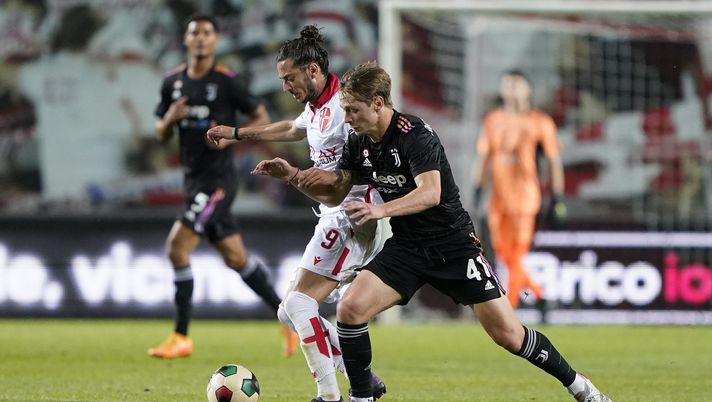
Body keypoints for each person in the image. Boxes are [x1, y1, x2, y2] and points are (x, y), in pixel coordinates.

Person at [252, 62, 611, 402]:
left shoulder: (415, 134)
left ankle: (580, 386)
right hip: (408, 247)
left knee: (509, 335)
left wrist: (381, 209)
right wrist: (294, 176)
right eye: (344, 110)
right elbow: (335, 191)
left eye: (353, 110)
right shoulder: (358, 142)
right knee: (350, 308)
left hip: (454, 246)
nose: (347, 119)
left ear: (378, 104)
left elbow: (430, 193)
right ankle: (361, 396)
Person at [206, 26, 388, 402]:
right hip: (334, 212)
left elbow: (351, 172)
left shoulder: (344, 106)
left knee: (296, 304)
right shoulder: (318, 106)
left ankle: (330, 394)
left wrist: (294, 177)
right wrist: (237, 133)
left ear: (314, 71)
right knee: (290, 313)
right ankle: (363, 378)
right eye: (282, 79)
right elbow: (292, 126)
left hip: (352, 212)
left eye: (290, 78)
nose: (286, 86)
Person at [149, 13, 290, 359]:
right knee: (236, 258)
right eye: (194, 32)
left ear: (215, 41)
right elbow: (159, 132)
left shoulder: (227, 81)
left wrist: (231, 139)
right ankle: (290, 319)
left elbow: (262, 118)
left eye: (207, 33)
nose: (200, 38)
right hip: (193, 178)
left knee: (176, 248)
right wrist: (170, 119)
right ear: (185, 40)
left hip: (217, 181)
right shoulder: (172, 83)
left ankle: (181, 337)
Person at [471, 69, 567, 309]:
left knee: (517, 254)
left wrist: (557, 197)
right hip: (498, 198)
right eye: (507, 84)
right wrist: (476, 189)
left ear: (528, 89)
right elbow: (484, 158)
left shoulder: (540, 122)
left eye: (516, 84)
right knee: (505, 254)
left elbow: (554, 160)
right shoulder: (492, 120)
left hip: (526, 198)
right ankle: (539, 295)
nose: (511, 88)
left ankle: (509, 308)